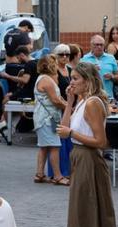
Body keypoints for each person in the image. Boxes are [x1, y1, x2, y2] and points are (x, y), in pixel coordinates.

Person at [40, 62, 118, 227]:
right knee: (101, 216)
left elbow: (101, 142)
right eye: (71, 78)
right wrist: (69, 102)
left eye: (75, 79)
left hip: (89, 160)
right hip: (82, 159)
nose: (70, 83)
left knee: (81, 216)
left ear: (88, 81)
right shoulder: (82, 102)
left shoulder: (92, 104)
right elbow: (64, 128)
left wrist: (72, 133)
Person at [33, 54, 69, 185]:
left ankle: (40, 174)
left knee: (43, 147)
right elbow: (55, 101)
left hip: (43, 118)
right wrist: (70, 107)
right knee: (54, 146)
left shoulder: (42, 78)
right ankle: (58, 176)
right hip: (47, 119)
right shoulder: (47, 80)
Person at [52, 43, 76, 174]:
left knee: (70, 140)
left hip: (71, 107)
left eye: (67, 54)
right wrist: (68, 106)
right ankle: (60, 171)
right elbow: (55, 94)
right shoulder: (54, 71)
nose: (65, 57)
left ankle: (70, 168)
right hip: (60, 109)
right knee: (60, 141)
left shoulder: (70, 69)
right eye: (61, 54)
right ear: (56, 56)